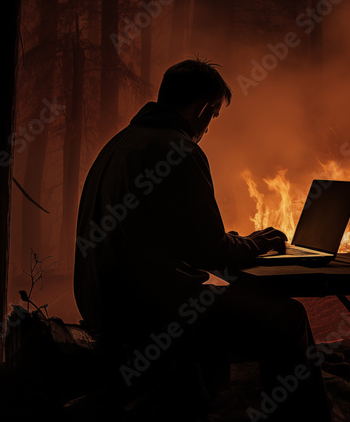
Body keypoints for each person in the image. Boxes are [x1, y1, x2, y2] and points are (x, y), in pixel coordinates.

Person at [74, 58, 331, 421]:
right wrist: (255, 242)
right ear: (203, 108)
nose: (208, 128)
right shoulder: (178, 150)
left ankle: (209, 403)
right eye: (213, 117)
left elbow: (174, 238)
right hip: (150, 310)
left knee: (227, 298)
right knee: (288, 318)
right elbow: (209, 252)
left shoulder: (117, 145)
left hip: (101, 300)